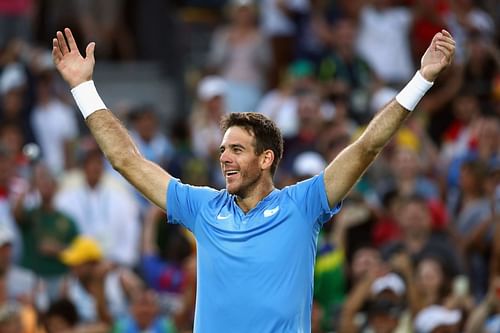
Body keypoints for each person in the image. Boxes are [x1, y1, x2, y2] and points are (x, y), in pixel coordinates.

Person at [52, 27, 455, 332]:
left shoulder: (304, 204)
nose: (224, 157)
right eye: (223, 149)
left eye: (237, 150)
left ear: (267, 159)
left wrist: (422, 79)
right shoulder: (203, 207)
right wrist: (84, 88)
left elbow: (367, 146)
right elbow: (125, 160)